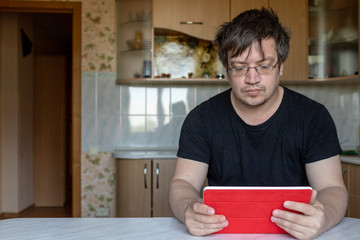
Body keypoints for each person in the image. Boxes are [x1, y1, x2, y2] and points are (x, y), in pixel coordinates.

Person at [168, 8, 348, 240]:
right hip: (224, 234)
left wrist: (322, 217)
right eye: (240, 67)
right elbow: (182, 183)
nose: (252, 79)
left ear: (281, 65)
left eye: (264, 66)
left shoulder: (313, 117)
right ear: (227, 69)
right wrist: (187, 209)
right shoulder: (201, 119)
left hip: (294, 235)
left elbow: (332, 189)